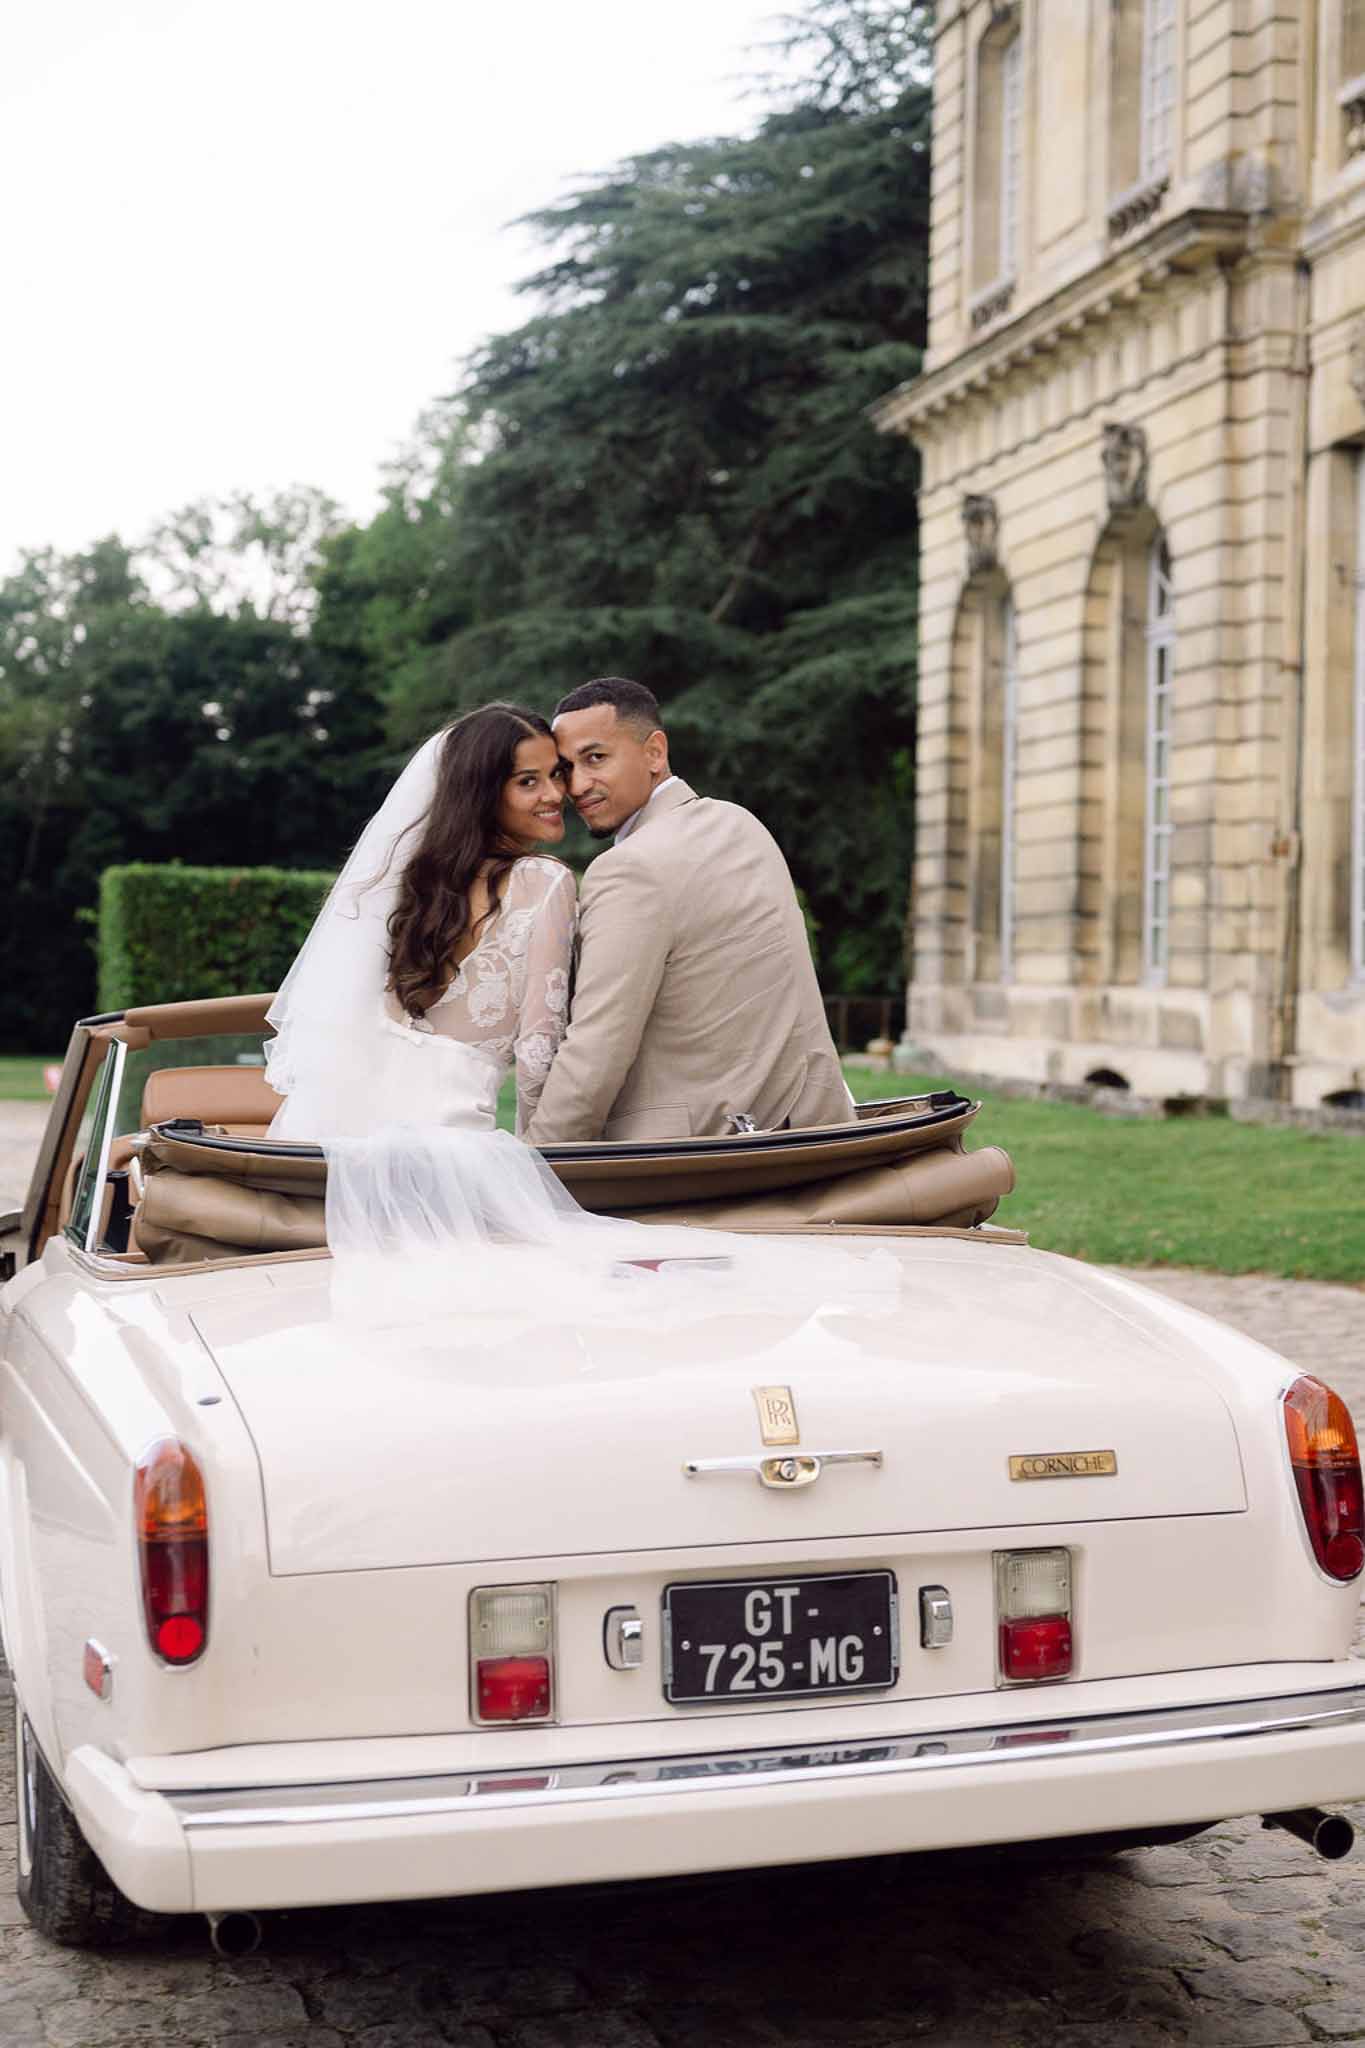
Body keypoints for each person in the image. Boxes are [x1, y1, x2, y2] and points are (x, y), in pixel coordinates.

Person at [526, 676, 852, 1145]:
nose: (575, 786)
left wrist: (534, 1163)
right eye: (566, 768)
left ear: (655, 752)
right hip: (815, 1130)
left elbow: (599, 1045)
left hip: (693, 1154)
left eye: (595, 758)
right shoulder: (743, 824)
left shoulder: (627, 869)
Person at [264, 703, 575, 1142]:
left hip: (337, 1141)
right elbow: (539, 1053)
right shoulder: (544, 880)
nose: (555, 793)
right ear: (482, 792)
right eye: (528, 781)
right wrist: (540, 1159)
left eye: (557, 773)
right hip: (449, 1146)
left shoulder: (411, 884)